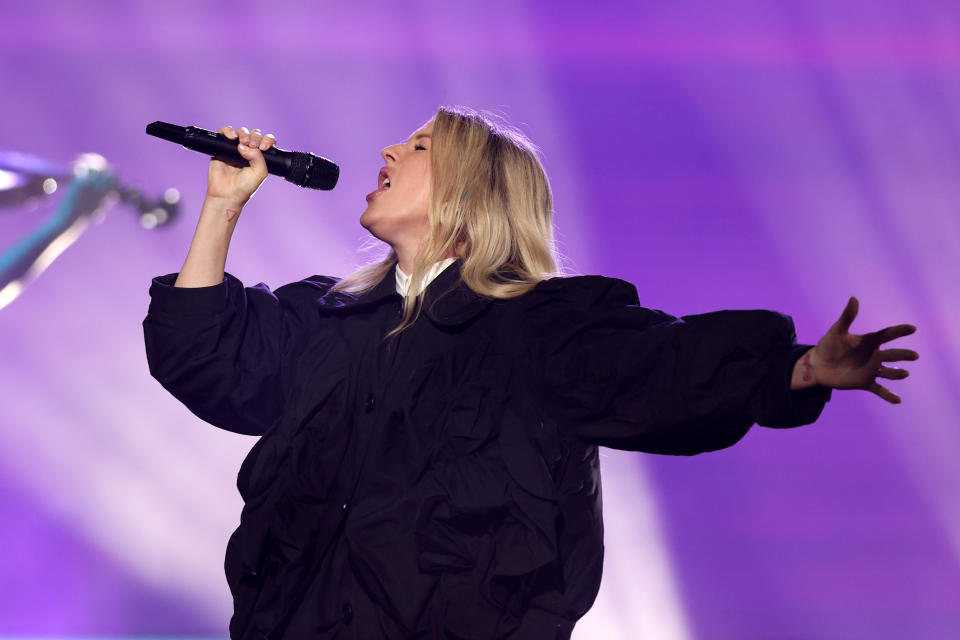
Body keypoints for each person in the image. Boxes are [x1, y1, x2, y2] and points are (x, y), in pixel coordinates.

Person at [142, 106, 919, 640]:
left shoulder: (541, 327)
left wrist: (803, 369)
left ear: (472, 191)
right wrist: (224, 206)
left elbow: (663, 368)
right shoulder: (329, 319)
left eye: (417, 146)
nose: (387, 152)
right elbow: (203, 353)